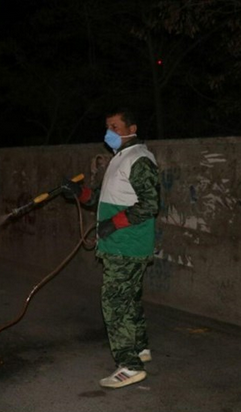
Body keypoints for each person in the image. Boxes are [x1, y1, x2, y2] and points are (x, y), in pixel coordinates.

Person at [63, 108, 159, 389]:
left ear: (132, 128)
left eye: (116, 127)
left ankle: (129, 366)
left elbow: (150, 205)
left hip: (126, 245)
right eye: (108, 127)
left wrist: (112, 225)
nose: (110, 132)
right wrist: (78, 193)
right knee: (128, 299)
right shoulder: (121, 158)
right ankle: (139, 348)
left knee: (114, 304)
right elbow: (102, 198)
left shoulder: (139, 159)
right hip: (121, 243)